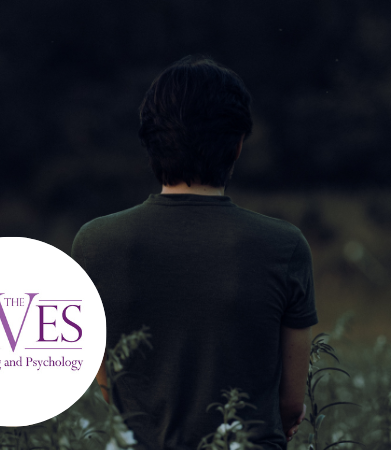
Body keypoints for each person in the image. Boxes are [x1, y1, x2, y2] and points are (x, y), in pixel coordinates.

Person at [70, 55, 317, 450]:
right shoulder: (285, 246)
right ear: (237, 146)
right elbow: (290, 404)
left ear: (150, 142)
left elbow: (109, 386)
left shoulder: (94, 243)